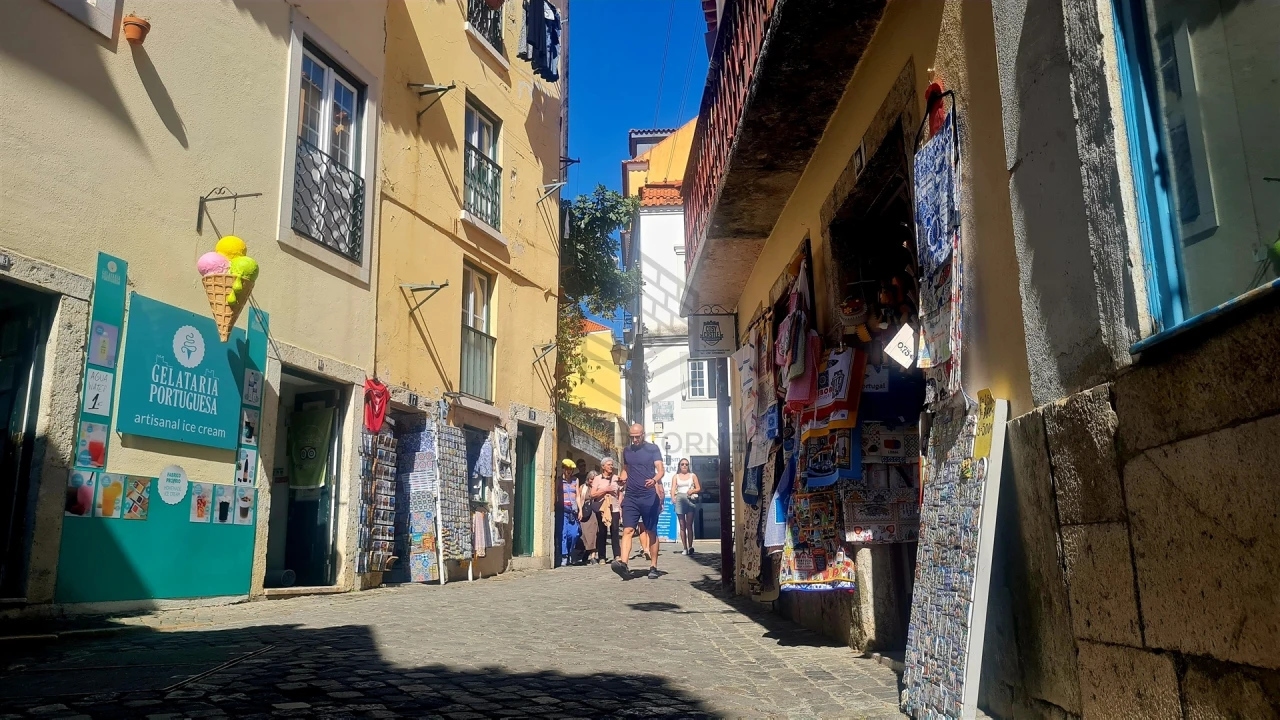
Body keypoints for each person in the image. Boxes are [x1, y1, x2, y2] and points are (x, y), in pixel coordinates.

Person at [612, 423, 665, 580]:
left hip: (649, 496)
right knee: (628, 530)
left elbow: (661, 470)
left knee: (651, 531)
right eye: (632, 437)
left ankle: (653, 566)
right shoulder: (627, 451)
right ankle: (624, 565)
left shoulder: (652, 449)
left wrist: (654, 480)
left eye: (637, 437)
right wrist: (622, 479)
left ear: (643, 434)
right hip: (631, 496)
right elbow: (626, 470)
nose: (634, 440)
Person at [590, 457, 622, 561]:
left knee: (615, 531)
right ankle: (602, 557)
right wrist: (605, 490)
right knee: (602, 532)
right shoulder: (597, 479)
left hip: (614, 509)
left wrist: (620, 505)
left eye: (612, 465)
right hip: (602, 509)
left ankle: (617, 555)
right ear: (603, 466)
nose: (611, 466)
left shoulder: (616, 478)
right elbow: (592, 494)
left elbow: (620, 493)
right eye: (608, 465)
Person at [670, 458, 702, 556]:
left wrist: (692, 491)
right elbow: (673, 487)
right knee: (682, 524)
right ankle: (684, 547)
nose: (684, 466)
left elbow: (698, 488)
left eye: (686, 464)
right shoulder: (676, 476)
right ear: (679, 466)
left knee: (689, 524)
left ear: (688, 466)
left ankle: (690, 546)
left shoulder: (693, 475)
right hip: (680, 498)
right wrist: (672, 497)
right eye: (682, 464)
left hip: (690, 498)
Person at [557, 459, 580, 567]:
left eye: (571, 469)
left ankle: (571, 552)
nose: (569, 471)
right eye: (567, 469)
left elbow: (578, 496)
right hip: (563, 510)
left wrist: (580, 510)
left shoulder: (576, 480)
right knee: (563, 534)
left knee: (574, 534)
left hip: (573, 510)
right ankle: (564, 556)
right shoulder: (559, 481)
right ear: (563, 469)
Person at [579, 471, 602, 564]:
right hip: (586, 513)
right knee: (585, 535)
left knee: (594, 534)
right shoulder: (583, 487)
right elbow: (580, 499)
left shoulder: (599, 488)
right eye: (591, 479)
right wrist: (579, 511)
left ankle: (593, 556)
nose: (592, 481)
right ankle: (587, 551)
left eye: (594, 479)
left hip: (595, 513)